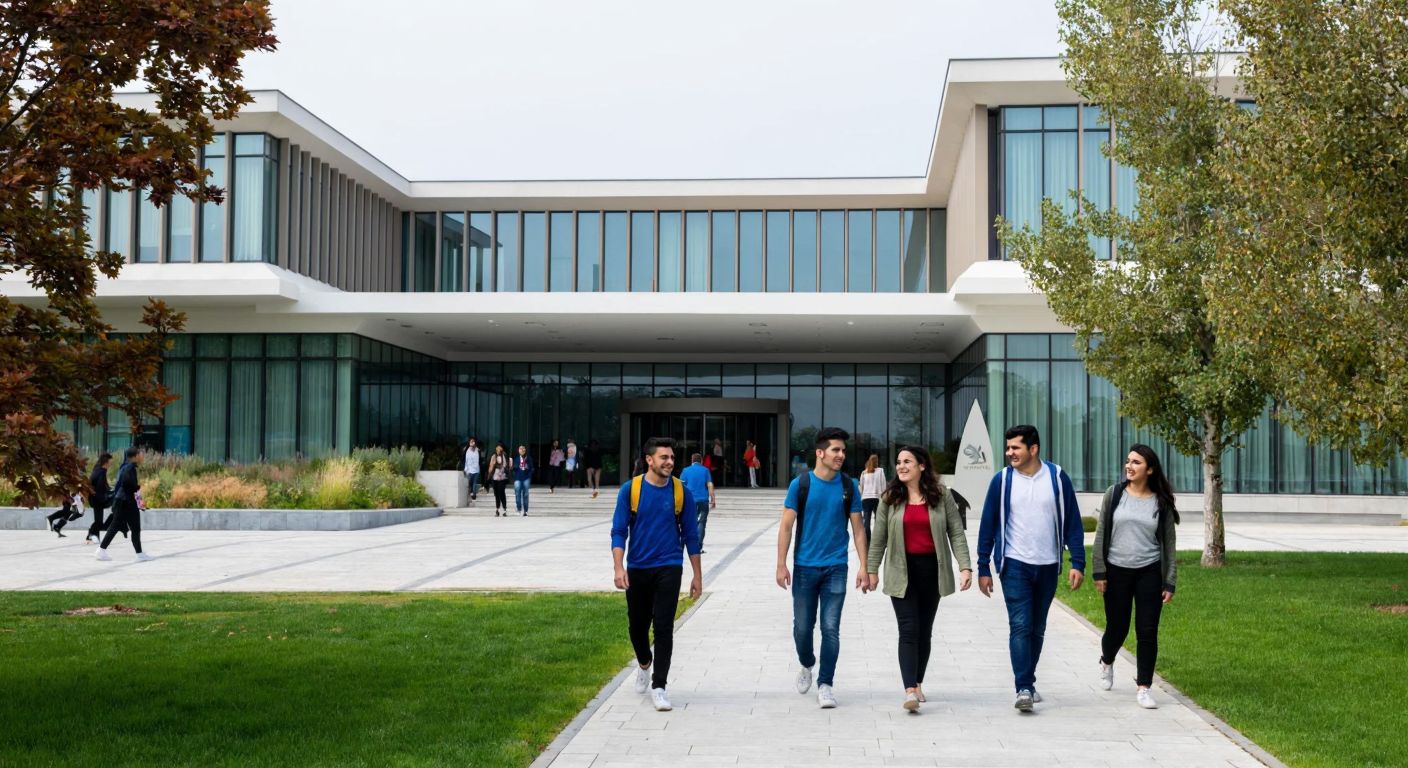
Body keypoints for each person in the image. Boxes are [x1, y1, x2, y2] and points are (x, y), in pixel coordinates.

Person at [976, 425, 1085, 712]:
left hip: (1048, 565)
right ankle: (1023, 687)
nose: (1009, 452)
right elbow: (988, 524)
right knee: (1021, 625)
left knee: (1037, 628)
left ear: (1033, 449)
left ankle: (1029, 681)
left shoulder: (1057, 477)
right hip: (1014, 564)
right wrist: (983, 566)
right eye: (1008, 447)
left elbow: (1072, 522)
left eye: (1016, 447)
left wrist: (1077, 562)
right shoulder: (1002, 481)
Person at [865, 446, 973, 712]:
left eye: (907, 462)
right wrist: (871, 570)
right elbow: (878, 538)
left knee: (924, 631)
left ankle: (919, 682)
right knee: (909, 629)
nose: (901, 466)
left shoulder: (940, 495)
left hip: (932, 572)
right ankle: (909, 689)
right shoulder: (889, 498)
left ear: (921, 466)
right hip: (901, 570)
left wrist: (965, 567)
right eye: (899, 462)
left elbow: (956, 533)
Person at [775, 427, 866, 709]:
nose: (841, 455)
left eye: (843, 451)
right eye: (835, 450)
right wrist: (781, 564)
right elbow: (787, 526)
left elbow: (859, 529)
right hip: (804, 568)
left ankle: (825, 683)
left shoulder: (849, 486)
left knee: (831, 628)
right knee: (802, 628)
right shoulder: (800, 485)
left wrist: (864, 566)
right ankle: (807, 663)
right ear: (820, 453)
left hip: (836, 567)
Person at [611, 437, 703, 712]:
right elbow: (618, 530)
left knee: (664, 627)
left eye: (672, 457)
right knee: (637, 627)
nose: (670, 462)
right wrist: (619, 567)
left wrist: (697, 576)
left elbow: (691, 536)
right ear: (649, 460)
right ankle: (644, 663)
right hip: (638, 567)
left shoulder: (680, 492)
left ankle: (659, 686)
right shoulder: (632, 490)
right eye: (664, 457)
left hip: (669, 566)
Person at [1092, 444, 1179, 710]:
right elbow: (1101, 533)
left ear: (1149, 469)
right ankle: (1107, 660)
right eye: (1128, 461)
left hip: (1149, 571)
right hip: (1116, 570)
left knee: (1147, 631)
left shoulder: (1161, 502)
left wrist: (1169, 580)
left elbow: (1169, 543)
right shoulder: (1114, 494)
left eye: (1136, 462)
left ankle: (1144, 687)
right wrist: (1099, 571)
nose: (1129, 466)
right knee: (1117, 629)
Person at [95, 447, 152, 562]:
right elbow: (127, 482)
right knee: (132, 527)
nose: (142, 456)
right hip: (126, 501)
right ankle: (139, 554)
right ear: (135, 456)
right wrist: (136, 489)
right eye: (141, 454)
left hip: (122, 501)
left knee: (119, 526)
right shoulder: (130, 467)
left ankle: (102, 550)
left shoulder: (124, 466)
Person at [680, 453, 716, 554]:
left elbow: (681, 486)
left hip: (689, 501)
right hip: (703, 500)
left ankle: (686, 544)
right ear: (701, 461)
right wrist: (713, 498)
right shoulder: (705, 470)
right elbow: (709, 484)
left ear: (692, 460)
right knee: (702, 523)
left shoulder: (685, 470)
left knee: (689, 522)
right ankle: (698, 546)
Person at [85, 452, 114, 544]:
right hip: (97, 499)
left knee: (98, 521)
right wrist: (107, 497)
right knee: (99, 522)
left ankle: (92, 535)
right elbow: (99, 488)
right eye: (110, 462)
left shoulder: (99, 470)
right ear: (105, 462)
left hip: (96, 498)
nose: (111, 464)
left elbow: (102, 487)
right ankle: (92, 534)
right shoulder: (100, 472)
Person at [859, 454, 886, 543]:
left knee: (866, 519)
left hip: (865, 499)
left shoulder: (864, 472)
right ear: (876, 461)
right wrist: (883, 497)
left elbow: (861, 487)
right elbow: (883, 485)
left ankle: (868, 539)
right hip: (877, 498)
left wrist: (863, 495)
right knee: (878, 519)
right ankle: (878, 538)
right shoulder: (880, 471)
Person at [488, 443, 511, 517]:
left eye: (500, 447)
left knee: (502, 492)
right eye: (497, 448)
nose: (498, 449)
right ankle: (497, 509)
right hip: (495, 477)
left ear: (502, 448)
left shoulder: (505, 456)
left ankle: (504, 509)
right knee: (496, 494)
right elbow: (490, 468)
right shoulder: (493, 456)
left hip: (502, 477)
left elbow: (507, 466)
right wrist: (493, 464)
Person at [513, 444, 534, 516]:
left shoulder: (529, 458)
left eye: (523, 449)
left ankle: (526, 511)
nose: (521, 450)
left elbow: (532, 468)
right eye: (520, 449)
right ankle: (519, 508)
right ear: (518, 451)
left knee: (526, 494)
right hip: (518, 478)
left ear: (525, 450)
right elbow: (514, 469)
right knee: (517, 493)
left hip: (526, 478)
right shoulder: (516, 459)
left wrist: (529, 475)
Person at [462, 437, 482, 504]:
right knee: (470, 482)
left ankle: (474, 494)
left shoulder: (477, 450)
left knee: (474, 483)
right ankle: (471, 493)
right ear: (469, 443)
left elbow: (480, 460)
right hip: (469, 470)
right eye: (471, 441)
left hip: (476, 469)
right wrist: (465, 469)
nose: (472, 442)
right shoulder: (467, 451)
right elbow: (465, 461)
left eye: (473, 441)